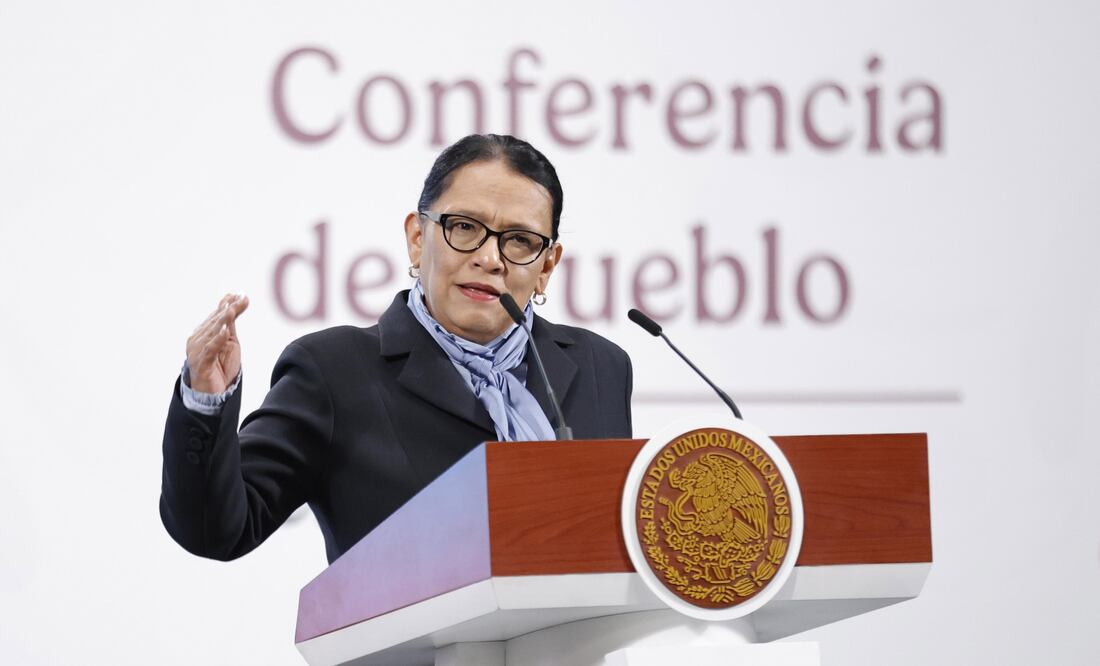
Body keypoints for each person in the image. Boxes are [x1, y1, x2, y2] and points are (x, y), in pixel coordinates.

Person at [160, 134, 633, 564]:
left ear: (547, 265)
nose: (490, 259)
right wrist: (205, 401)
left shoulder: (599, 367)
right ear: (416, 237)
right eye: (465, 227)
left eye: (520, 241)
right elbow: (218, 530)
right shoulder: (335, 371)